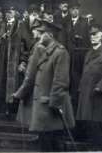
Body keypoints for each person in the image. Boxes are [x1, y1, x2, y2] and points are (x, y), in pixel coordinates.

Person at [13, 16, 75, 151]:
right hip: (43, 106)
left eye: (41, 33)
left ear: (50, 35)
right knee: (45, 143)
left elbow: (61, 82)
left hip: (51, 106)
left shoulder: (60, 52)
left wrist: (54, 105)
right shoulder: (43, 50)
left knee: (53, 144)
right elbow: (32, 76)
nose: (38, 36)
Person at [76, 23, 102, 149]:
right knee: (89, 125)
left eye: (95, 34)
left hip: (99, 96)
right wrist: (81, 89)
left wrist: (100, 87)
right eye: (90, 35)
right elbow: (85, 73)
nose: (92, 37)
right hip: (86, 94)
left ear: (101, 36)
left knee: (98, 126)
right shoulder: (88, 53)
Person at [0, 7, 30, 119]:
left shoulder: (20, 26)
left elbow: (26, 45)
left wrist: (23, 62)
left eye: (10, 12)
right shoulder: (0, 26)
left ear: (15, 13)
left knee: (11, 84)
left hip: (13, 61)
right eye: (7, 13)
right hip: (0, 60)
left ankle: (9, 109)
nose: (8, 14)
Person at [67, 0, 90, 112]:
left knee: (77, 84)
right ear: (69, 10)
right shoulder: (66, 22)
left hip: (79, 59)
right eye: (72, 9)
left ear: (79, 10)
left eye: (77, 8)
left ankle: (77, 111)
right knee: (68, 83)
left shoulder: (85, 23)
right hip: (67, 58)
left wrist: (80, 40)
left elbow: (88, 42)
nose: (75, 11)